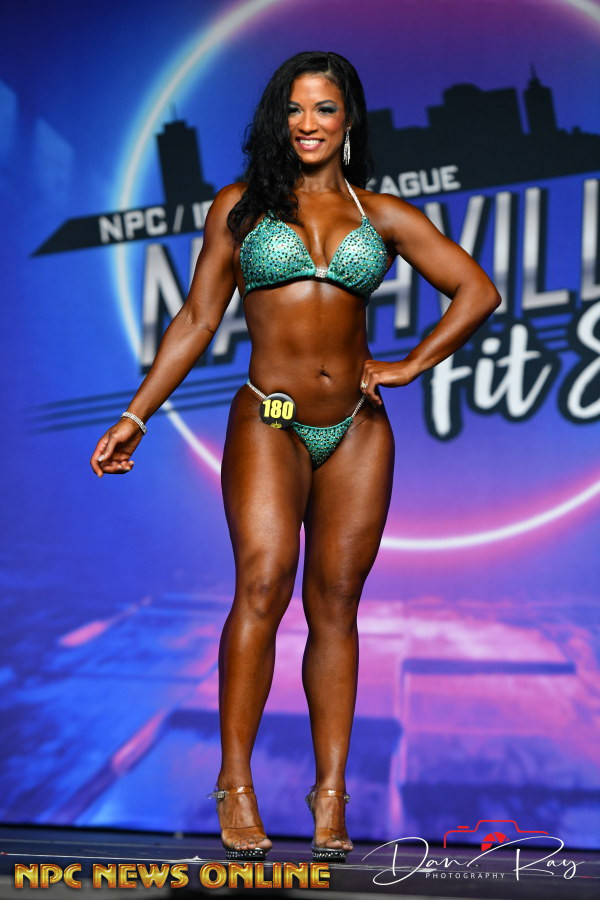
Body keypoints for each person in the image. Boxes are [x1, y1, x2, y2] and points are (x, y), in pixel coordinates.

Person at [90, 50, 501, 863]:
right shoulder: (240, 207)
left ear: (348, 122)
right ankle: (235, 784)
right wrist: (138, 413)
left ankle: (330, 794)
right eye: (294, 109)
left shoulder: (382, 214)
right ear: (278, 120)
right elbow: (196, 320)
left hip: (357, 428)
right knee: (263, 581)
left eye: (325, 109)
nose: (308, 124)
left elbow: (478, 290)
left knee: (337, 606)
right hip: (269, 419)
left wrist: (411, 364)